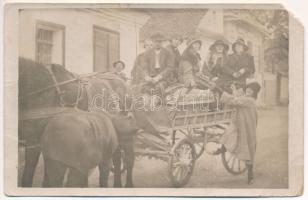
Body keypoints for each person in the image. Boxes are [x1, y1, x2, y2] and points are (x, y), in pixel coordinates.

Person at [219, 82, 261, 184]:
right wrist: (233, 88)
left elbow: (235, 100)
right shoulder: (245, 98)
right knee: (230, 133)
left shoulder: (250, 100)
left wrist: (220, 91)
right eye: (248, 88)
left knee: (248, 149)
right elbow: (237, 98)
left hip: (248, 127)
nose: (248, 90)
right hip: (240, 124)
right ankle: (224, 146)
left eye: (251, 90)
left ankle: (250, 175)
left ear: (254, 93)